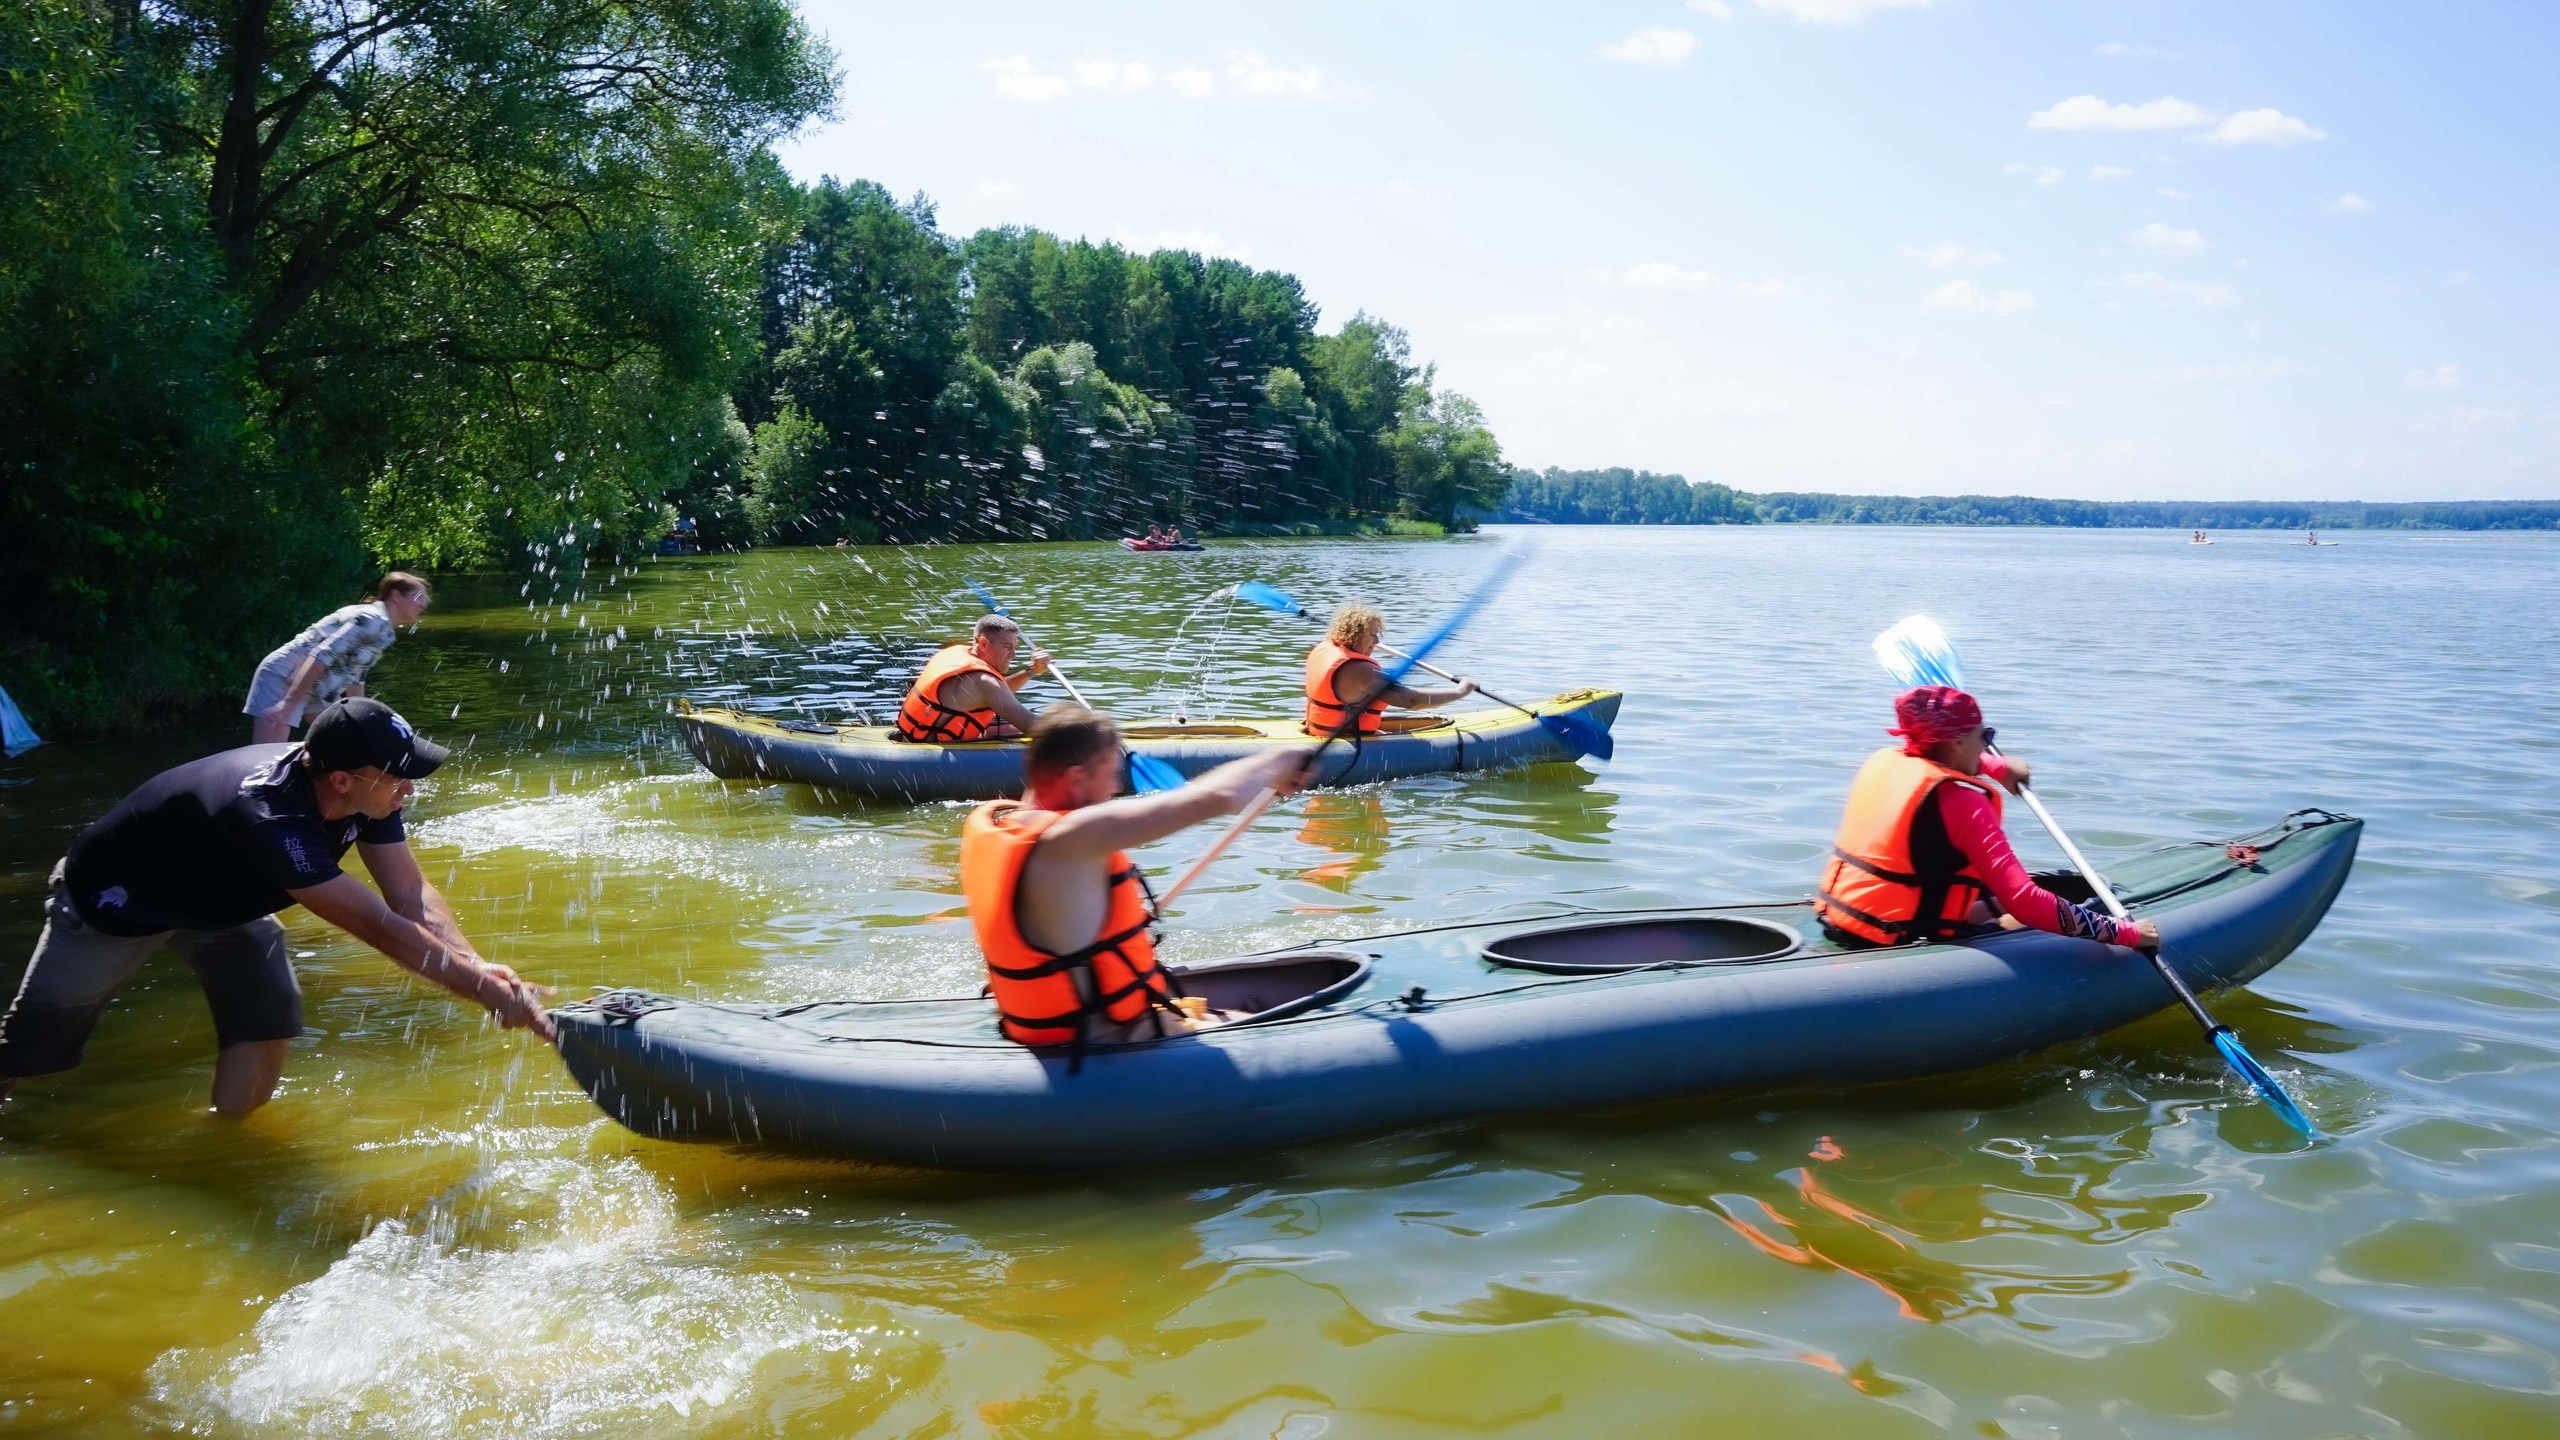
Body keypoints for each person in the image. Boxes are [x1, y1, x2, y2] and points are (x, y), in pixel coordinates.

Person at [0, 699, 553, 1115]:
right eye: (399, 777)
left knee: (267, 1018)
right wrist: (480, 991)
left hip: (222, 902)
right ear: (342, 779)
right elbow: (374, 924)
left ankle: (227, 1148)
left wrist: (477, 967)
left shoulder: (371, 794)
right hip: (117, 904)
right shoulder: (268, 815)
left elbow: (408, 892)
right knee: (29, 1044)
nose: (410, 789)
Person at [960, 705, 1314, 1049]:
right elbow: (1218, 796)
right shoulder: (1069, 839)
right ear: (1077, 778)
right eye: (1111, 775)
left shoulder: (1004, 824)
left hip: (1043, 1029)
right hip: (1105, 1043)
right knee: (1286, 1036)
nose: (1116, 788)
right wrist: (1280, 759)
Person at [1813, 685, 2160, 952]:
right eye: (1984, 736)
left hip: (1844, 917)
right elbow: (2025, 902)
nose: (1986, 745)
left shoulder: (1885, 760)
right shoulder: (1965, 803)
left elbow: (1942, 761)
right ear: (1957, 743)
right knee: (2024, 913)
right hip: (1898, 936)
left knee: (1989, 897)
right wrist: (2124, 933)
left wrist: (2000, 767)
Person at [246, 574, 431, 742]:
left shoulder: (385, 631)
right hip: (283, 677)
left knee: (347, 743)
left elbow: (356, 679)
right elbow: (322, 654)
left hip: (318, 687)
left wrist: (361, 722)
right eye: (418, 597)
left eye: (425, 599)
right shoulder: (372, 619)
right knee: (267, 758)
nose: (423, 605)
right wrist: (289, 703)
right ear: (396, 595)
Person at [1303, 602, 1478, 737]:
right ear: (1354, 634)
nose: (1377, 642)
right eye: (1373, 635)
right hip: (1347, 743)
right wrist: (1460, 691)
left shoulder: (1325, 649)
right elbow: (1411, 701)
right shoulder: (1360, 670)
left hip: (1323, 733)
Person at [894, 615, 1052, 742]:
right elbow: (1032, 727)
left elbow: (999, 692)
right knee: (1052, 733)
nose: (1013, 655)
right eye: (1007, 646)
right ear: (983, 644)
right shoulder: (984, 681)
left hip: (913, 735)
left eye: (1014, 647)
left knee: (1020, 727)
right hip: (930, 754)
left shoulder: (956, 653)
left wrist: (1032, 671)